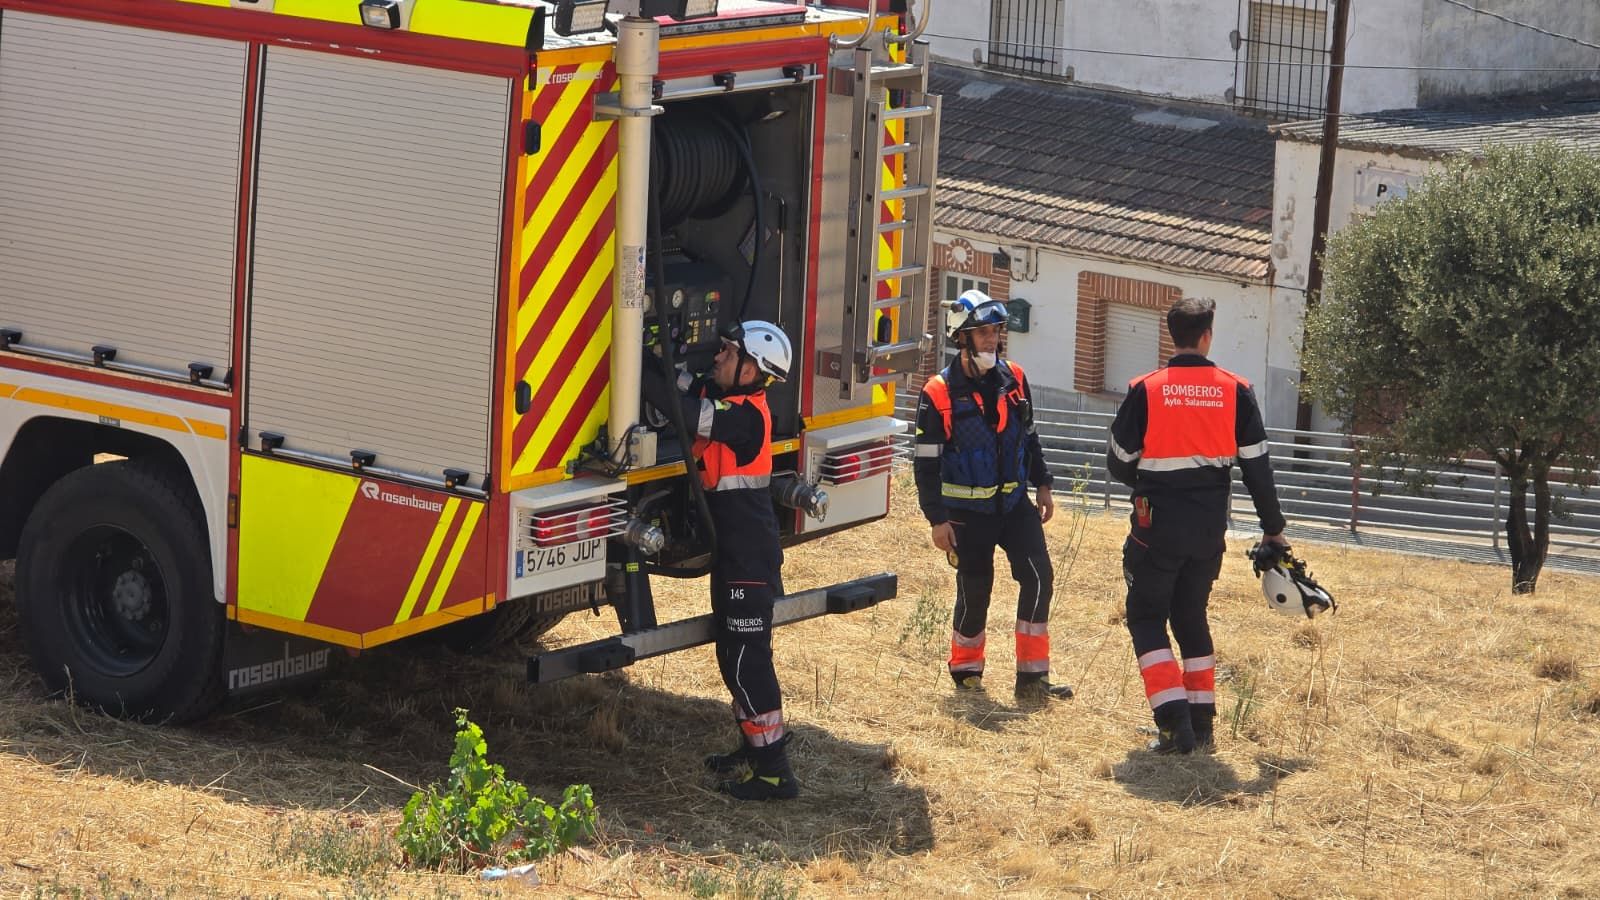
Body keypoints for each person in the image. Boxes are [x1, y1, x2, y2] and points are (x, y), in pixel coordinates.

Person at [1106, 296, 1287, 754]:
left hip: (1155, 527)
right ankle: (1202, 725)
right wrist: (1273, 529)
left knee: (1146, 617)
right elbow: (1258, 470)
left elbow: (1119, 461)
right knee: (1191, 618)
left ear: (1173, 335)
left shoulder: (1145, 389)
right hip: (1208, 532)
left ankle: (1173, 726)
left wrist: (1146, 477)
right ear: (1207, 336)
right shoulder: (1235, 390)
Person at [641, 319, 797, 800]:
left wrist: (633, 363)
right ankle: (753, 749)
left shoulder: (745, 420)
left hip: (748, 559)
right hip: (734, 555)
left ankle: (774, 772)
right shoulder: (731, 398)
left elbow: (685, 410)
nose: (719, 358)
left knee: (749, 662)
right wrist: (657, 353)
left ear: (751, 371)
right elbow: (690, 384)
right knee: (731, 656)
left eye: (729, 353)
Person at [913, 289, 1073, 703]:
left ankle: (1032, 680)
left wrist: (1043, 483)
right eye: (983, 332)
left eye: (996, 331)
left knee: (1039, 579)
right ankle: (967, 673)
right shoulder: (937, 393)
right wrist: (936, 519)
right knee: (975, 589)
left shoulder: (1015, 379)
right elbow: (926, 465)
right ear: (962, 338)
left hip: (1015, 506)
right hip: (966, 514)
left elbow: (1031, 437)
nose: (992, 340)